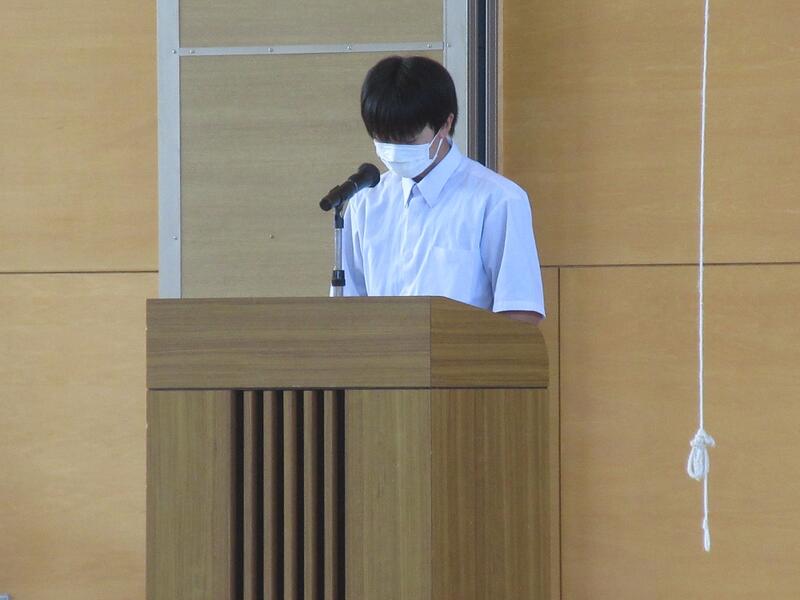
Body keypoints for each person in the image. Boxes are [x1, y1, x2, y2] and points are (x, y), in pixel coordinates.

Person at [340, 55, 545, 325]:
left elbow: (520, 312)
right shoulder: (366, 201)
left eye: (408, 140)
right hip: (383, 351)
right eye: (383, 140)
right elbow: (347, 311)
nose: (395, 151)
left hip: (462, 351)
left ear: (445, 124)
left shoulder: (498, 199)